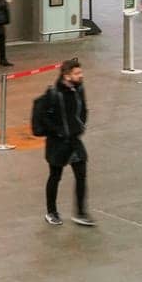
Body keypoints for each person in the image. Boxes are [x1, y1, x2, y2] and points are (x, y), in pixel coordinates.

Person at [39, 57, 93, 227]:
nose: (81, 75)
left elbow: (83, 109)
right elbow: (43, 118)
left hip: (74, 141)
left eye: (80, 72)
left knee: (81, 174)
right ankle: (51, 211)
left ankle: (80, 212)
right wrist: (58, 132)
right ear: (67, 76)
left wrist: (80, 125)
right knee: (55, 176)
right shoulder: (54, 94)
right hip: (57, 143)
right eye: (77, 73)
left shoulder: (79, 89)